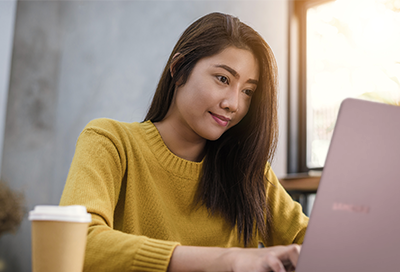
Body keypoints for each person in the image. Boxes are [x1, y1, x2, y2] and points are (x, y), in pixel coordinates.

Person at [60, 12, 309, 272]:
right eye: (223, 79)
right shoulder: (110, 142)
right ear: (178, 69)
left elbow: (315, 245)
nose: (233, 104)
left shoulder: (250, 173)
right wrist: (228, 260)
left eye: (248, 91)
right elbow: (76, 242)